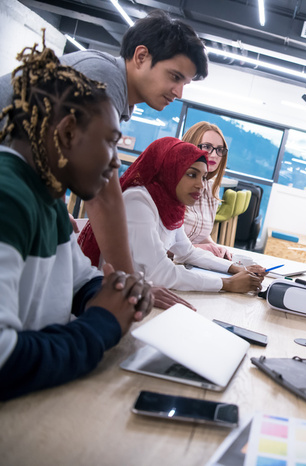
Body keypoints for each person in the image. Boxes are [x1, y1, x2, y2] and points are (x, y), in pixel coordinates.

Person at [0, 9, 209, 311]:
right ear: (141, 56)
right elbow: (105, 198)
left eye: (185, 84)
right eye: (174, 77)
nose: (178, 92)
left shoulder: (116, 91)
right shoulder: (103, 80)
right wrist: (131, 284)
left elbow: (54, 156)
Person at [0, 40, 153, 401]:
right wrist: (102, 324)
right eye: (112, 142)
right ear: (68, 132)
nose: (117, 162)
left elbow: (78, 281)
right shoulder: (8, 196)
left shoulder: (47, 196)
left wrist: (117, 294)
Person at [79, 137, 265, 293]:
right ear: (168, 170)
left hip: (137, 293)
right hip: (110, 295)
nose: (200, 184)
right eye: (192, 175)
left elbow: (188, 252)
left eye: (202, 177)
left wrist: (236, 269)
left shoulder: (169, 205)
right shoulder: (138, 201)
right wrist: (227, 284)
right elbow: (160, 273)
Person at [180, 121, 232, 259]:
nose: (214, 155)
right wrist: (200, 249)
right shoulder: (174, 184)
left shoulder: (210, 187)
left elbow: (200, 233)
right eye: (207, 147)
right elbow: (160, 245)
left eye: (220, 149)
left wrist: (215, 248)